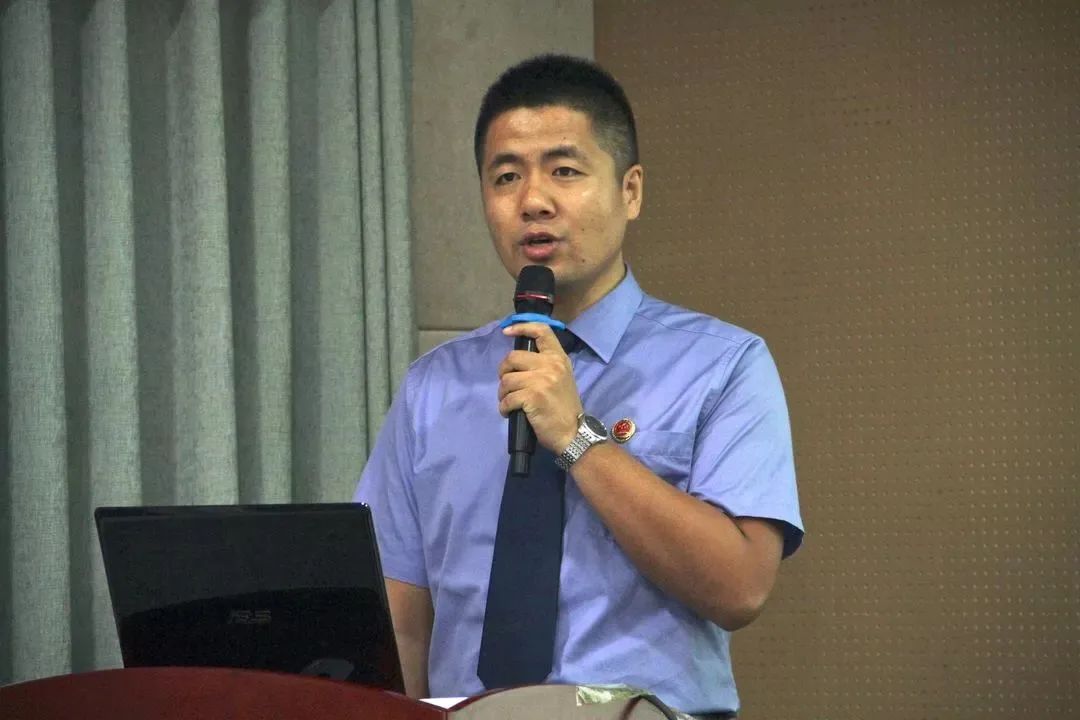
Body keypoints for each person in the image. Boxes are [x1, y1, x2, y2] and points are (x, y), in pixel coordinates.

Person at [354, 54, 803, 717]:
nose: (533, 200)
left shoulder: (723, 365)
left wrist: (575, 436)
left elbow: (739, 589)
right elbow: (402, 619)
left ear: (631, 191)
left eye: (564, 170)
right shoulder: (433, 387)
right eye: (506, 176)